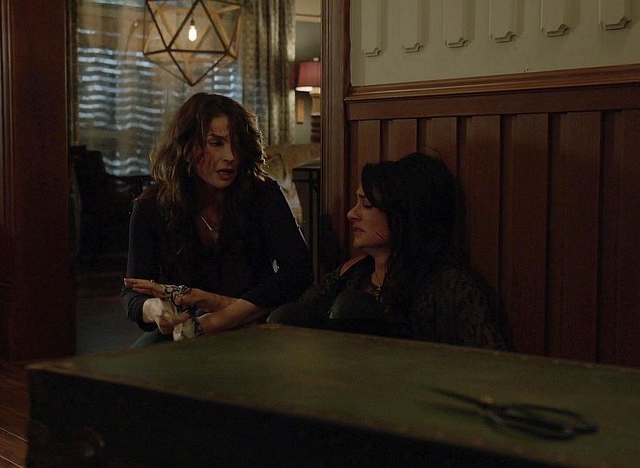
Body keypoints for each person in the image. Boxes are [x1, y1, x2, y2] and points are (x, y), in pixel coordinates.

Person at [122, 93, 313, 346]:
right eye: (216, 143)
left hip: (252, 322)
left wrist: (221, 317)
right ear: (187, 147)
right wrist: (155, 309)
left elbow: (298, 271)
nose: (231, 156)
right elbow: (133, 293)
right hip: (185, 328)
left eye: (237, 144)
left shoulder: (262, 193)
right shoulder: (151, 206)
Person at [268, 152, 508, 349]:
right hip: (340, 384)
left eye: (367, 205)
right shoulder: (352, 274)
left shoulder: (448, 285)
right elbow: (293, 319)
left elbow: (492, 363)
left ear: (402, 215)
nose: (351, 214)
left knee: (353, 308)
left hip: (413, 387)